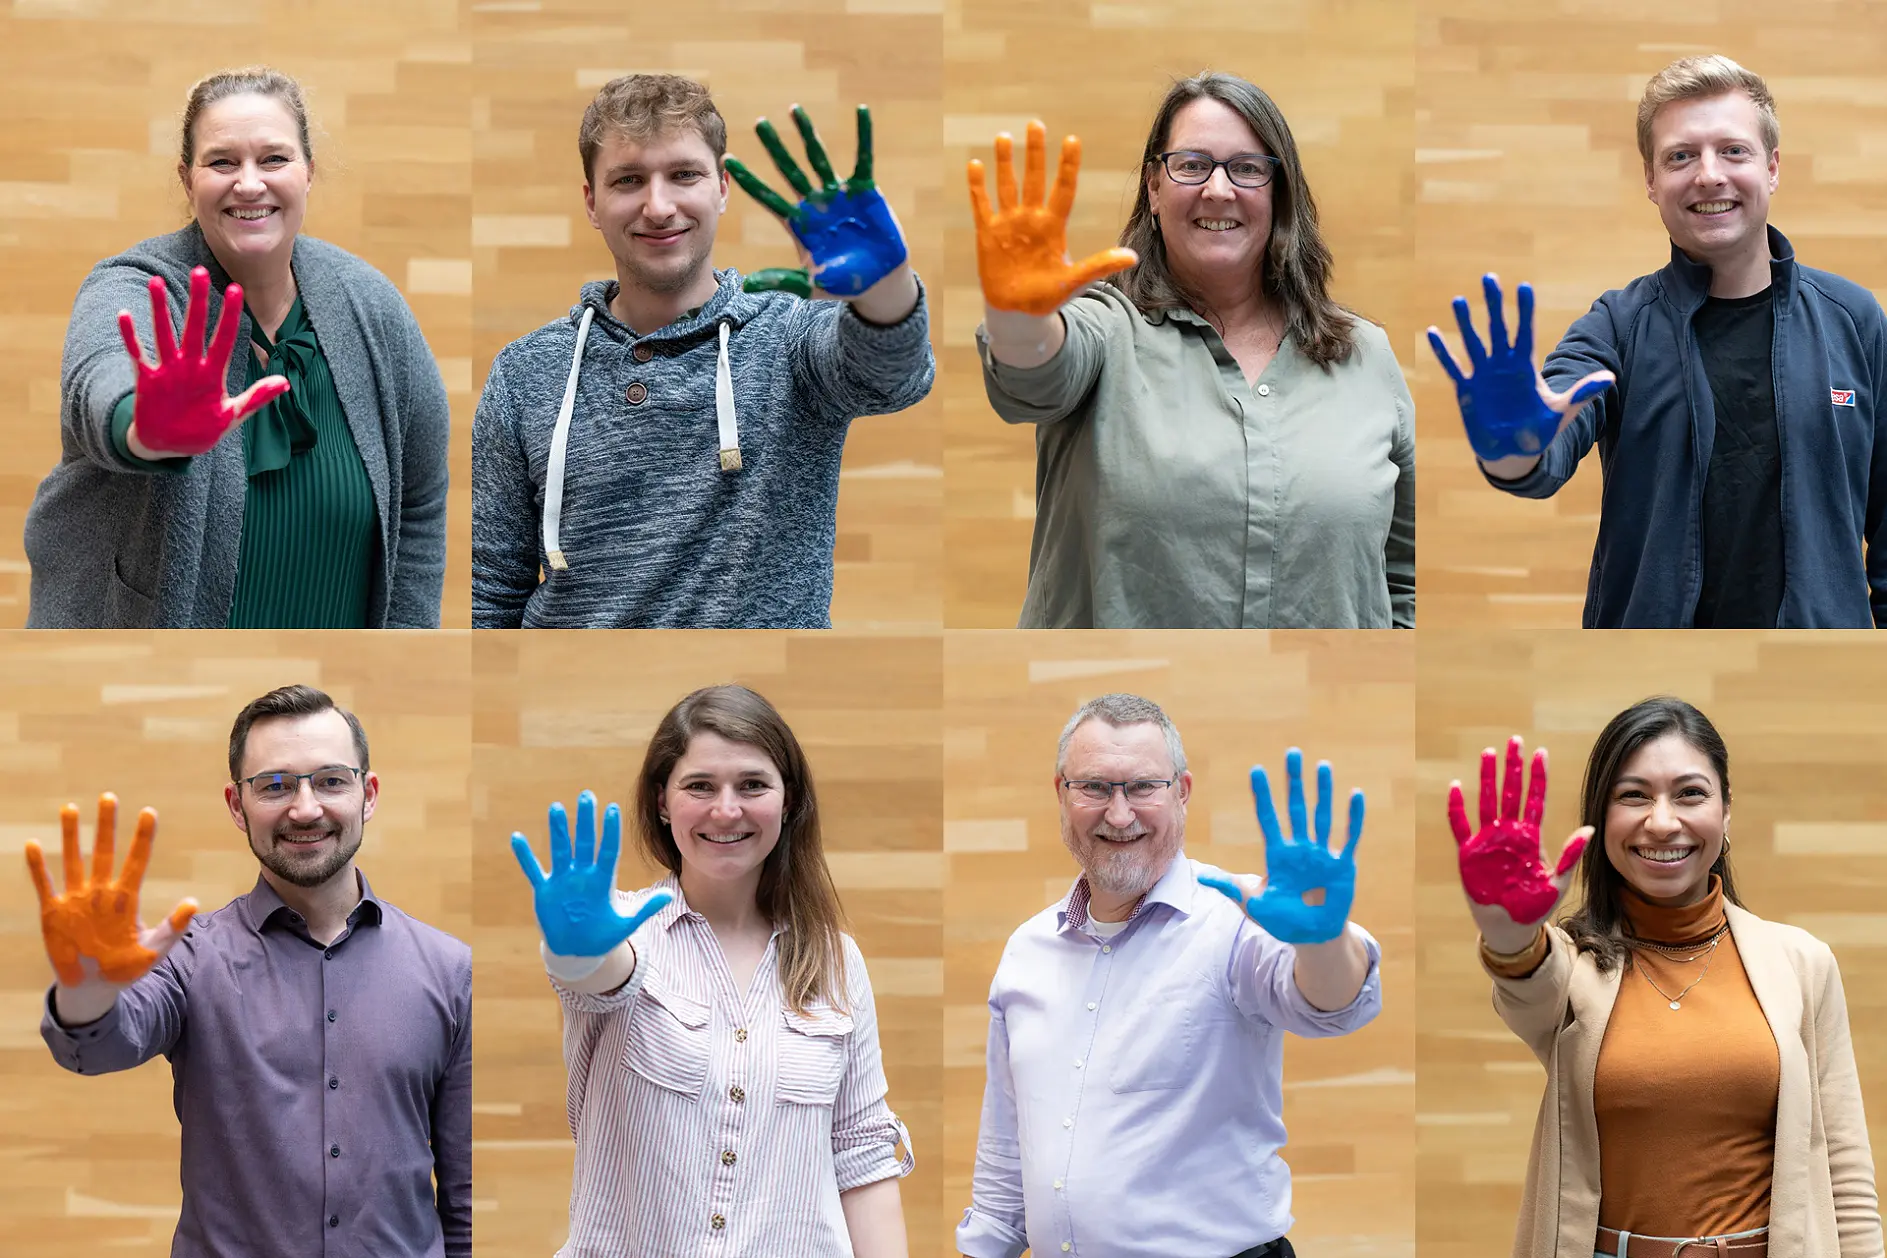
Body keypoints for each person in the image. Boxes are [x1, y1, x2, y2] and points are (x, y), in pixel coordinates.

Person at [1429, 55, 1887, 628]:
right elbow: (1544, 451)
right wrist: (1515, 445)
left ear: (1772, 167)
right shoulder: (1616, 326)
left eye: (1733, 151)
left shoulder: (1855, 320)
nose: (1709, 174)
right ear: (1651, 181)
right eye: (1680, 156)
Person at [473, 75, 935, 628]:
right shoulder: (526, 370)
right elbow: (493, 587)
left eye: (684, 175)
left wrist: (884, 287)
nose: (659, 206)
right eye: (629, 180)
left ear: (722, 187)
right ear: (592, 203)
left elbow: (892, 377)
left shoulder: (789, 334)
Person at [30, 684, 472, 1257]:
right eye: (275, 786)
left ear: (369, 794)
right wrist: (85, 990)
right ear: (237, 806)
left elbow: (463, 1198)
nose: (306, 808)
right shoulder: (191, 958)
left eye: (332, 780)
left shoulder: (450, 969)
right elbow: (97, 1047)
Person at [967, 72, 1415, 629]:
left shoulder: (1366, 357)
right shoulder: (1105, 330)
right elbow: (1031, 378)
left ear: (1279, 193)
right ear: (1154, 188)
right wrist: (1017, 318)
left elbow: (1402, 580)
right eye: (1192, 164)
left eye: (1247, 168)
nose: (1218, 190)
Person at [1448, 700, 1882, 1258]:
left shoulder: (1802, 961)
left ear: (1726, 812)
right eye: (1633, 795)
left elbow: (1845, 1168)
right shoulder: (1570, 961)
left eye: (1690, 793)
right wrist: (1508, 933)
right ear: (1601, 818)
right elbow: (1526, 986)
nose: (1661, 820)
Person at [957, 693, 1382, 1258]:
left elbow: (1332, 1005)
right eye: (1095, 787)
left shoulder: (1236, 919)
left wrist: (1322, 937)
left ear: (1181, 792)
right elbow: (1006, 1152)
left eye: (1141, 787)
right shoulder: (1027, 950)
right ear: (1060, 792)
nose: (1118, 813)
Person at [25, 66, 450, 629]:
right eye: (222, 162)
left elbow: (418, 502)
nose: (249, 184)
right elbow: (99, 378)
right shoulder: (134, 284)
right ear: (187, 179)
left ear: (308, 173)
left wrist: (406, 644)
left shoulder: (369, 303)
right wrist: (145, 426)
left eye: (273, 159)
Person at [509, 684, 913, 1255]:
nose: (727, 810)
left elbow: (863, 1156)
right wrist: (575, 951)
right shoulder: (622, 928)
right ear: (662, 802)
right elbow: (599, 977)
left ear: (788, 800)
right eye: (700, 786)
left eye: (752, 785)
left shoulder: (836, 960)